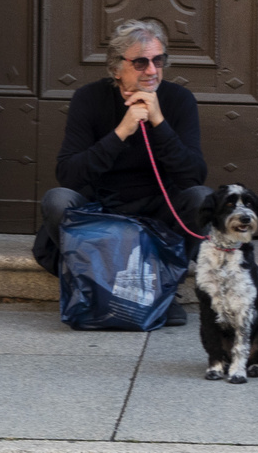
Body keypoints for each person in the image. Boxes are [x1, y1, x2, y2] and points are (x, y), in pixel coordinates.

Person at [33, 18, 211, 325]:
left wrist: (159, 123)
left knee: (203, 199)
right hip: (103, 209)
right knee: (57, 200)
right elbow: (69, 175)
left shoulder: (179, 100)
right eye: (140, 63)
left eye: (159, 60)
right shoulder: (89, 99)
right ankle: (93, 285)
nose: (152, 71)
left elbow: (193, 176)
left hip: (158, 212)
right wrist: (122, 131)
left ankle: (163, 288)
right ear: (117, 68)